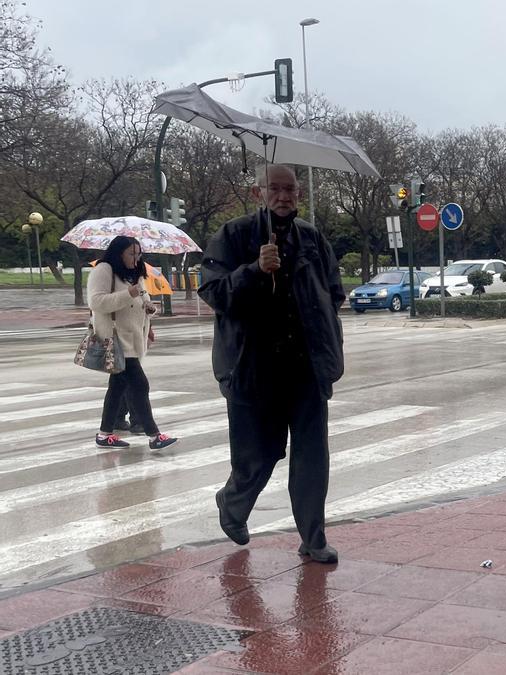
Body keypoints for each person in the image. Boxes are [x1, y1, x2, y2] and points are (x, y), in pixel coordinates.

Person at [199, 164, 345, 564]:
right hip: (253, 367)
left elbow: (333, 291)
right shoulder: (233, 235)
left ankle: (313, 537)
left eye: (291, 190)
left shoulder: (312, 238)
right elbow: (214, 293)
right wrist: (253, 271)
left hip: (306, 366)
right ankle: (232, 503)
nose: (284, 197)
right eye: (275, 189)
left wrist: (323, 334)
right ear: (257, 193)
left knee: (312, 455)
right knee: (259, 455)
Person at [87, 236, 178, 450]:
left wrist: (149, 309)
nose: (136, 259)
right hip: (116, 339)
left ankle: (104, 434)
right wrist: (128, 294)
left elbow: (140, 300)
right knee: (139, 384)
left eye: (138, 255)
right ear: (119, 253)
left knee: (117, 387)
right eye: (131, 254)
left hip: (133, 337)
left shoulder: (134, 274)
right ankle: (154, 435)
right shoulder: (104, 270)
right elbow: (97, 302)